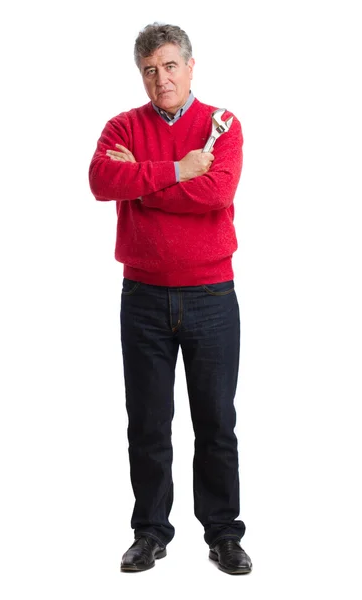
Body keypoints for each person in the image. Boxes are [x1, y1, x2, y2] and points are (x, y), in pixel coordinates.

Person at [89, 22, 252, 575]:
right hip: (143, 298)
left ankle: (224, 534)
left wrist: (142, 179)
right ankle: (150, 533)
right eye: (149, 70)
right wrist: (179, 170)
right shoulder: (122, 125)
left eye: (169, 65)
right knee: (149, 425)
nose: (161, 79)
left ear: (190, 65)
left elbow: (217, 193)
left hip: (210, 295)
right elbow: (101, 181)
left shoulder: (222, 125)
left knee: (215, 422)